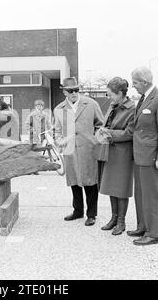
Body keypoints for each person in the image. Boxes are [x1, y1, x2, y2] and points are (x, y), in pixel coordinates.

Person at [127, 67, 158, 246]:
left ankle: (153, 233)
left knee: (152, 195)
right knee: (140, 194)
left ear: (145, 82)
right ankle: (143, 226)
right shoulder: (143, 99)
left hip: (151, 158)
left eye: (136, 82)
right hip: (139, 156)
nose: (133, 86)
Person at [53, 77, 104, 226]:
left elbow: (100, 125)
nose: (74, 93)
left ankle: (92, 214)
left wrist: (95, 140)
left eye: (76, 90)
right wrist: (60, 143)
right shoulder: (59, 109)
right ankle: (78, 211)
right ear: (64, 92)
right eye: (70, 91)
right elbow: (57, 130)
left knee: (90, 182)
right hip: (70, 149)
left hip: (88, 149)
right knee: (74, 181)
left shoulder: (91, 104)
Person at [97, 77, 135, 236]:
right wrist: (102, 130)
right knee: (112, 186)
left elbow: (130, 132)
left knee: (121, 188)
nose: (109, 97)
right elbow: (107, 124)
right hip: (111, 150)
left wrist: (109, 133)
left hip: (123, 153)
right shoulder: (113, 105)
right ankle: (113, 218)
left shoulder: (132, 108)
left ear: (120, 93)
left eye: (110, 94)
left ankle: (121, 221)